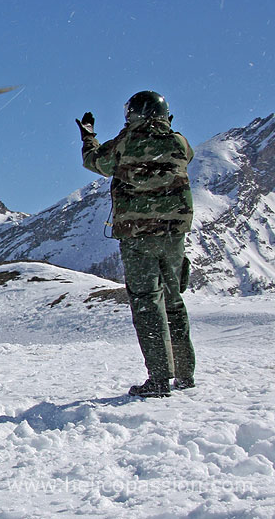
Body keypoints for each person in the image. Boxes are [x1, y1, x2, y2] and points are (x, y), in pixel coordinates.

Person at [77, 91, 196, 398]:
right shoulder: (179, 143)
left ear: (133, 115)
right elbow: (185, 155)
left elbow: (96, 162)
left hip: (138, 236)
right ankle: (184, 373)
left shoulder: (125, 143)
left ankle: (158, 378)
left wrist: (89, 137)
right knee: (173, 302)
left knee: (147, 302)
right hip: (173, 236)